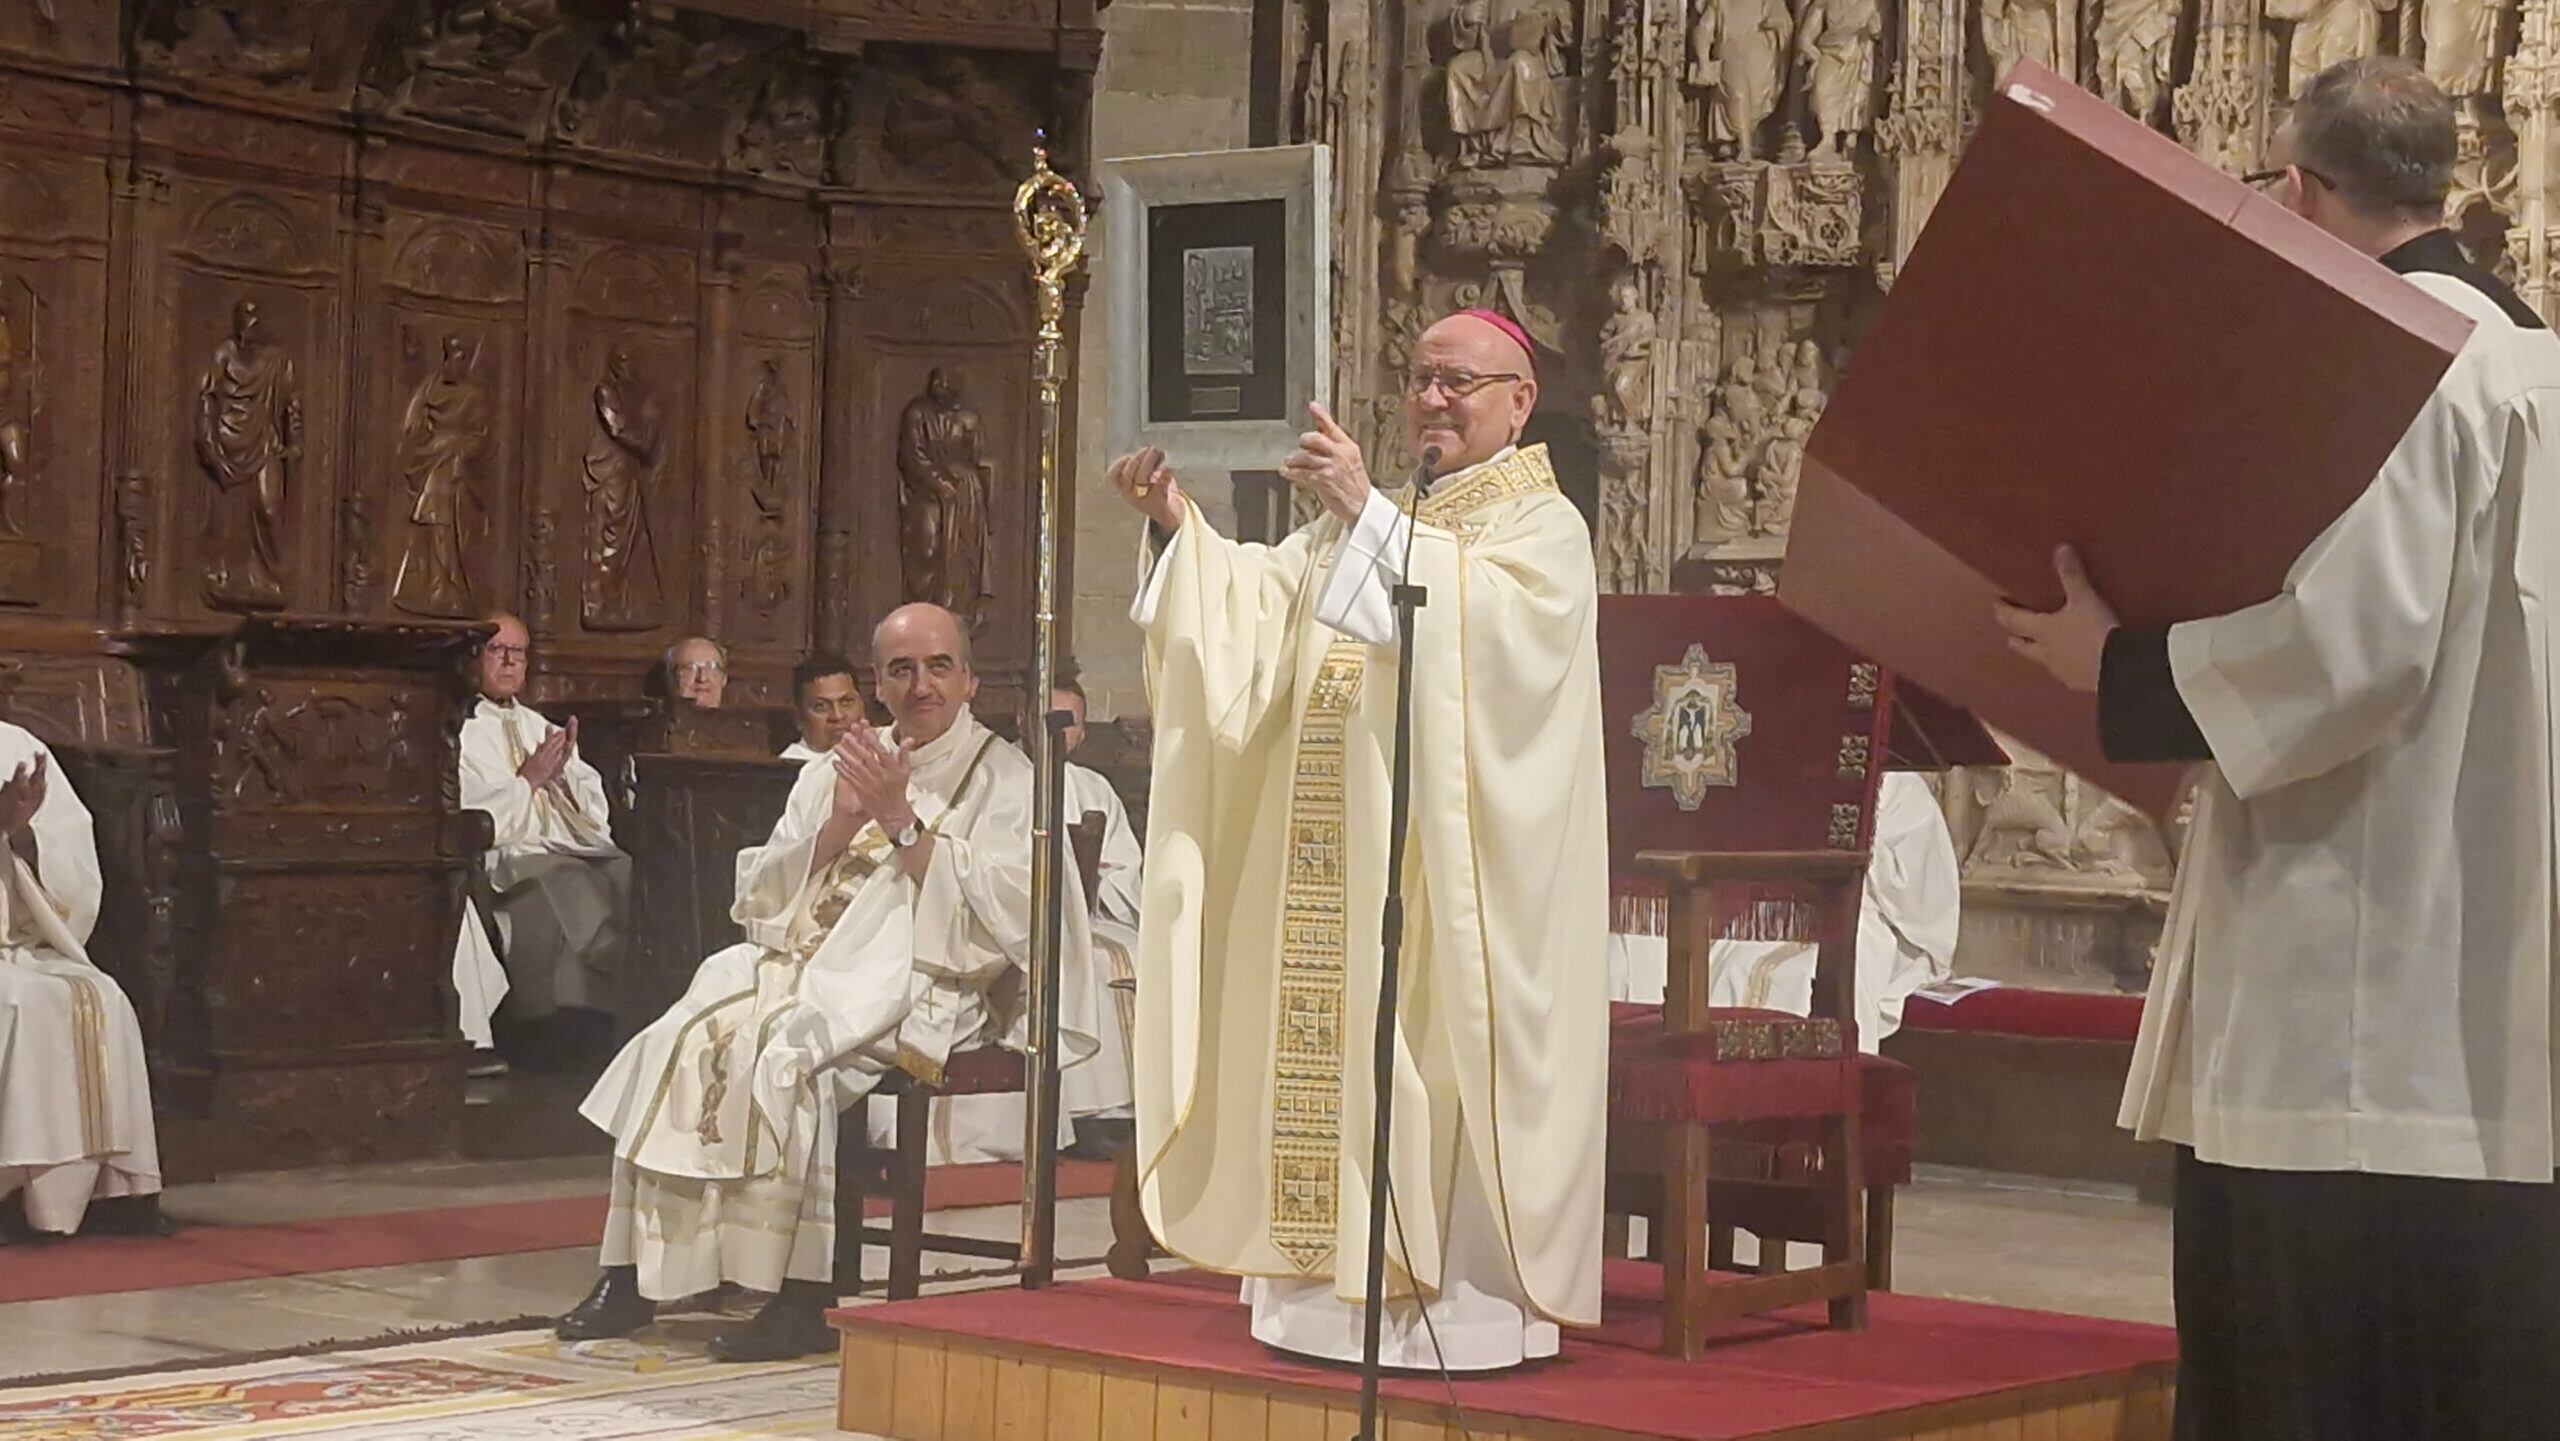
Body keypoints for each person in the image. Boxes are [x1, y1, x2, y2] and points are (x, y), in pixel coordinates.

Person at [1995, 58, 2560, 1441]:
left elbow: (2353, 650)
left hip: (2359, 997)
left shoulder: (2393, 359)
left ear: (2302, 193)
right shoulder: (2535, 359)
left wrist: (2117, 667)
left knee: (2326, 1381)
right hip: (2490, 982)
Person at [1107, 308, 1608, 1372]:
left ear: (1518, 402)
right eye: (1420, 377)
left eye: (1458, 381)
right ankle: (1315, 1292)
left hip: (1446, 887)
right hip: (1331, 877)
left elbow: (1489, 646)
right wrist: (1176, 528)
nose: (1431, 397)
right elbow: (1256, 614)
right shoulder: (1361, 521)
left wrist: (1369, 512)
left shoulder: (1539, 529)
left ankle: (1456, 1299)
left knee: (1424, 1061)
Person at [558, 602, 1098, 1362]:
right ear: (877, 682)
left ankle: (801, 1293)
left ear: (970, 679)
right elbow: (762, 899)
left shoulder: (1009, 781)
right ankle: (633, 1276)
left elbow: (1014, 921)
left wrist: (902, 821)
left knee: (788, 1054)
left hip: (919, 977)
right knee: (678, 1037)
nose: (921, 685)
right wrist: (843, 822)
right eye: (902, 669)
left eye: (939, 666)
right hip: (802, 962)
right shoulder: (837, 765)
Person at [1603, 770, 1962, 1050]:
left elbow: (1919, 900)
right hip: (1736, 914)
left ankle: (1796, 1133)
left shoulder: (1892, 782)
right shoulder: (1757, 765)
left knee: (1795, 976)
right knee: (1627, 958)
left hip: (1840, 915)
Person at [0, 726, 167, 1243]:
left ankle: (96, 1196)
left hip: (26, 942)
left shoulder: (15, 747)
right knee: (18, 1002)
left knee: (99, 997)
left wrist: (21, 834)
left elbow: (77, 883)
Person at [458, 613, 629, 1046]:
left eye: (518, 652)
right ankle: (589, 972)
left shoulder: (544, 728)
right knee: (565, 877)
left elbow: (592, 809)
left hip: (564, 844)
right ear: (474, 658)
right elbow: (473, 809)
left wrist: (562, 782)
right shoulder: (459, 730)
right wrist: (529, 779)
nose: (510, 661)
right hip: (509, 854)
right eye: (497, 650)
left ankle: (617, 1000)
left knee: (625, 869)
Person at [783, 651, 862, 762]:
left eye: (846, 702)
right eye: (821, 706)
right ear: (799, 718)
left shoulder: (884, 755)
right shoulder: (787, 771)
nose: (837, 716)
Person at [665, 636, 728, 709]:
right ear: (671, 677)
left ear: (724, 679)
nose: (702, 678)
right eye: (690, 668)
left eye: (711, 667)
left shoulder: (738, 719)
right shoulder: (656, 719)